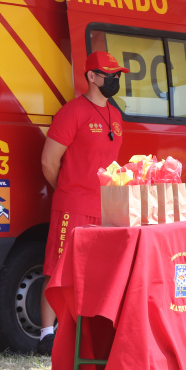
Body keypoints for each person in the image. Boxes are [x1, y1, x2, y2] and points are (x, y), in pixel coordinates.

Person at [38, 51, 129, 354]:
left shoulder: (115, 116)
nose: (115, 79)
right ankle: (47, 334)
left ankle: (82, 333)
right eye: (109, 74)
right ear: (92, 77)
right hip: (73, 206)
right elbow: (49, 162)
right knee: (57, 268)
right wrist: (67, 191)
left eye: (118, 74)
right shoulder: (72, 112)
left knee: (93, 273)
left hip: (104, 207)